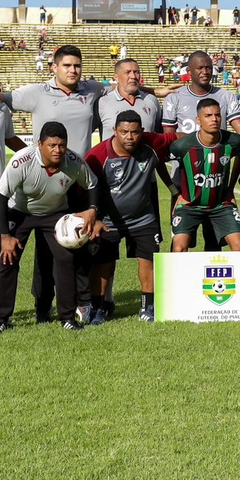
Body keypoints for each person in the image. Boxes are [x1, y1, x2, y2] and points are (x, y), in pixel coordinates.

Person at [0, 122, 99, 333]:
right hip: (21, 212)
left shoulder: (73, 161)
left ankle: (67, 317)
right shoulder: (22, 161)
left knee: (66, 259)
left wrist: (93, 209)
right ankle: (1, 319)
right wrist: (5, 236)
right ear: (39, 144)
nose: (57, 150)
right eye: (52, 145)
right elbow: (0, 196)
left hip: (55, 214)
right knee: (8, 259)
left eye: (61, 145)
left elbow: (92, 184)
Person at [84, 111, 175, 323]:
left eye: (135, 132)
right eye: (124, 132)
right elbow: (87, 192)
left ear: (142, 132)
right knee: (102, 265)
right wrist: (95, 219)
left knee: (148, 262)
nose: (129, 137)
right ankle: (97, 309)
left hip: (143, 219)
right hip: (107, 222)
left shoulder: (151, 144)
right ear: (115, 131)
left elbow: (179, 139)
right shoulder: (97, 156)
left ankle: (148, 308)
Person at [168, 99, 240, 253]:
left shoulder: (233, 141)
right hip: (189, 206)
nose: (214, 119)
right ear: (198, 120)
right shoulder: (182, 145)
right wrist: (175, 192)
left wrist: (230, 188)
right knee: (178, 248)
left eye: (218, 115)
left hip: (221, 205)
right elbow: (158, 161)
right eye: (208, 115)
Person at [162, 51, 240, 144]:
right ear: (189, 71)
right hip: (186, 155)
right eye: (200, 68)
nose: (205, 72)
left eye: (208, 68)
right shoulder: (174, 97)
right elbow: (169, 137)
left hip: (218, 154)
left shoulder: (226, 96)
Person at [97, 58, 162, 140]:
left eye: (136, 72)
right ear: (116, 77)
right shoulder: (102, 102)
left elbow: (159, 134)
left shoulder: (151, 101)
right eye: (127, 72)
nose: (133, 76)